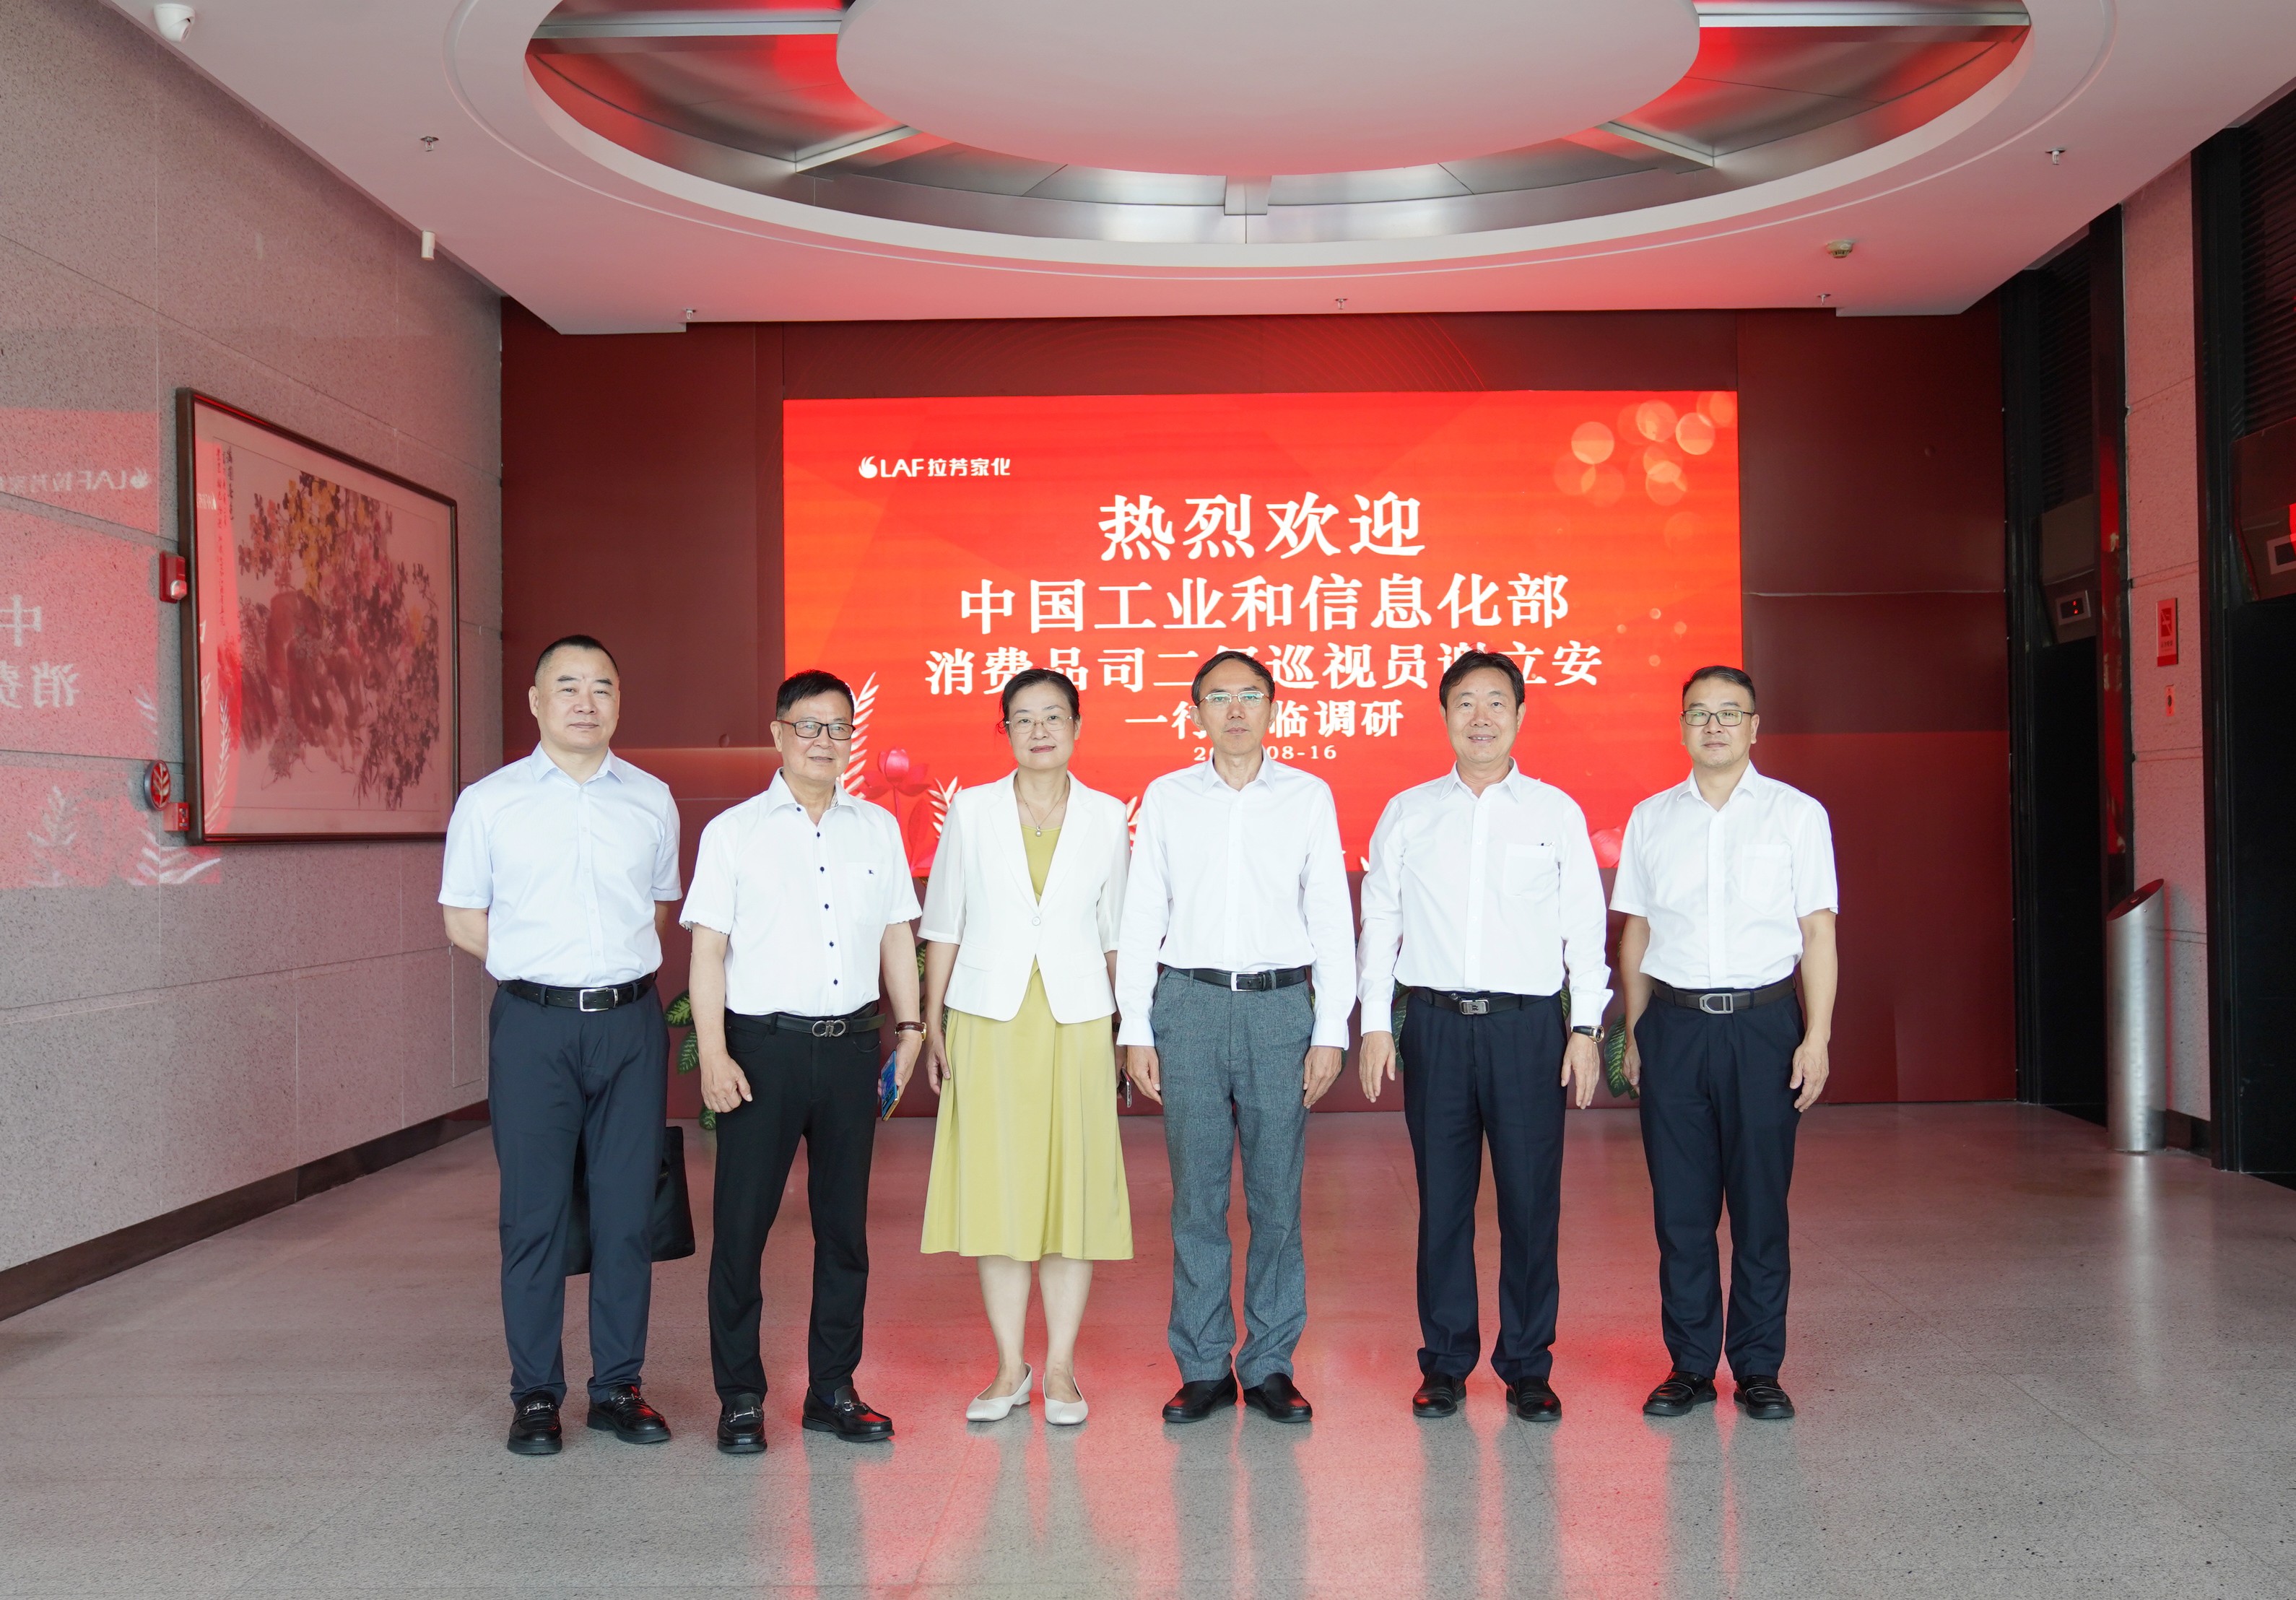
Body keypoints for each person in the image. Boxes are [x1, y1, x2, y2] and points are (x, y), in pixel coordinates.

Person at [440, 635, 683, 1457]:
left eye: (602, 687)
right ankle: (537, 1394)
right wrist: (540, 968)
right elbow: (463, 918)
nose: (586, 701)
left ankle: (617, 1387)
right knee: (533, 1214)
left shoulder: (651, 799)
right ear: (536, 701)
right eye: (568, 686)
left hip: (629, 1024)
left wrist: (601, 974)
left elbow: (656, 909)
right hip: (533, 1026)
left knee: (626, 1212)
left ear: (619, 702)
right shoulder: (490, 802)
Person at [1356, 650, 1609, 1423]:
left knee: (1531, 1204)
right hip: (1434, 1025)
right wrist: (1376, 1022)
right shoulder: (1408, 811)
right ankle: (1445, 1362)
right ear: (1444, 715)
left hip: (1528, 1029)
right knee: (1443, 1205)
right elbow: (1381, 919)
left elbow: (1584, 927)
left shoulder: (1554, 812)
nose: (1481, 717)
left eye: (1496, 702)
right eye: (1465, 702)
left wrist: (1586, 1026)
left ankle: (1528, 1365)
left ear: (1520, 714)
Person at [682, 669, 926, 1453]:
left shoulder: (876, 828)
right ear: (779, 733)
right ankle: (740, 1397)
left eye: (839, 727)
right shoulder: (734, 832)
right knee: (742, 1229)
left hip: (850, 1049)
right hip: (763, 1050)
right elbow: (708, 951)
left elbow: (896, 933)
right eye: (809, 726)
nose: (825, 741)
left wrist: (910, 1027)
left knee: (843, 1230)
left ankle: (833, 1389)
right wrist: (714, 1054)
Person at [1116, 650, 1356, 1426]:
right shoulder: (1168, 797)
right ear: (1197, 713)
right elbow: (1142, 911)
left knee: (1277, 1197)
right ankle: (1203, 1365)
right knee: (1197, 1198)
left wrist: (1331, 1026)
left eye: (1250, 695)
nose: (1236, 710)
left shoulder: (1308, 796)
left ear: (1273, 708)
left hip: (1279, 1008)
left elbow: (1330, 914)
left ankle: (1271, 1363)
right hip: (1187, 1003)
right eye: (1218, 697)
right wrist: (1136, 1023)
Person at [1612, 665, 1838, 1422]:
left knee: (1759, 1208)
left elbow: (1818, 932)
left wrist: (1817, 1035)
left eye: (1729, 712)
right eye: (1700, 713)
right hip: (1673, 1026)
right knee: (1681, 1212)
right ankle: (1689, 1366)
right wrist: (1636, 1031)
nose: (1714, 726)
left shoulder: (1796, 814)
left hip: (1764, 1026)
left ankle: (1759, 1368)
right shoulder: (1651, 817)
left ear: (1754, 725)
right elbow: (1637, 932)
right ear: (1681, 726)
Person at [917, 669, 1134, 1427]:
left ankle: (1063, 1369)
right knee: (1000, 1191)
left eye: (1053, 716)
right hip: (988, 1020)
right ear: (1005, 730)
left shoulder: (1108, 815)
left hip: (1077, 1021)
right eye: (1023, 718)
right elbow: (945, 921)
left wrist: (1129, 1028)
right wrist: (933, 1022)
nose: (1039, 730)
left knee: (1073, 1193)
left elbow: (1117, 933)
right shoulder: (971, 810)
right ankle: (1010, 1366)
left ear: (1077, 726)